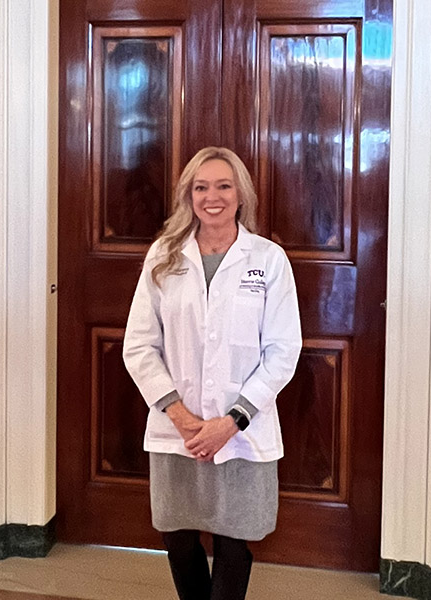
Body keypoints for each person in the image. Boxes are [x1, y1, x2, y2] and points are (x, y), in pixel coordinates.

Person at [123, 147, 302, 600]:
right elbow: (139, 345)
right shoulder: (164, 256)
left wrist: (230, 422)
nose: (212, 196)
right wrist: (182, 418)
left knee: (233, 539)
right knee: (177, 536)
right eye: (201, 187)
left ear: (241, 193)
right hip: (176, 428)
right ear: (188, 195)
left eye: (223, 185)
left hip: (240, 429)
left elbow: (283, 350)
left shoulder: (268, 259)